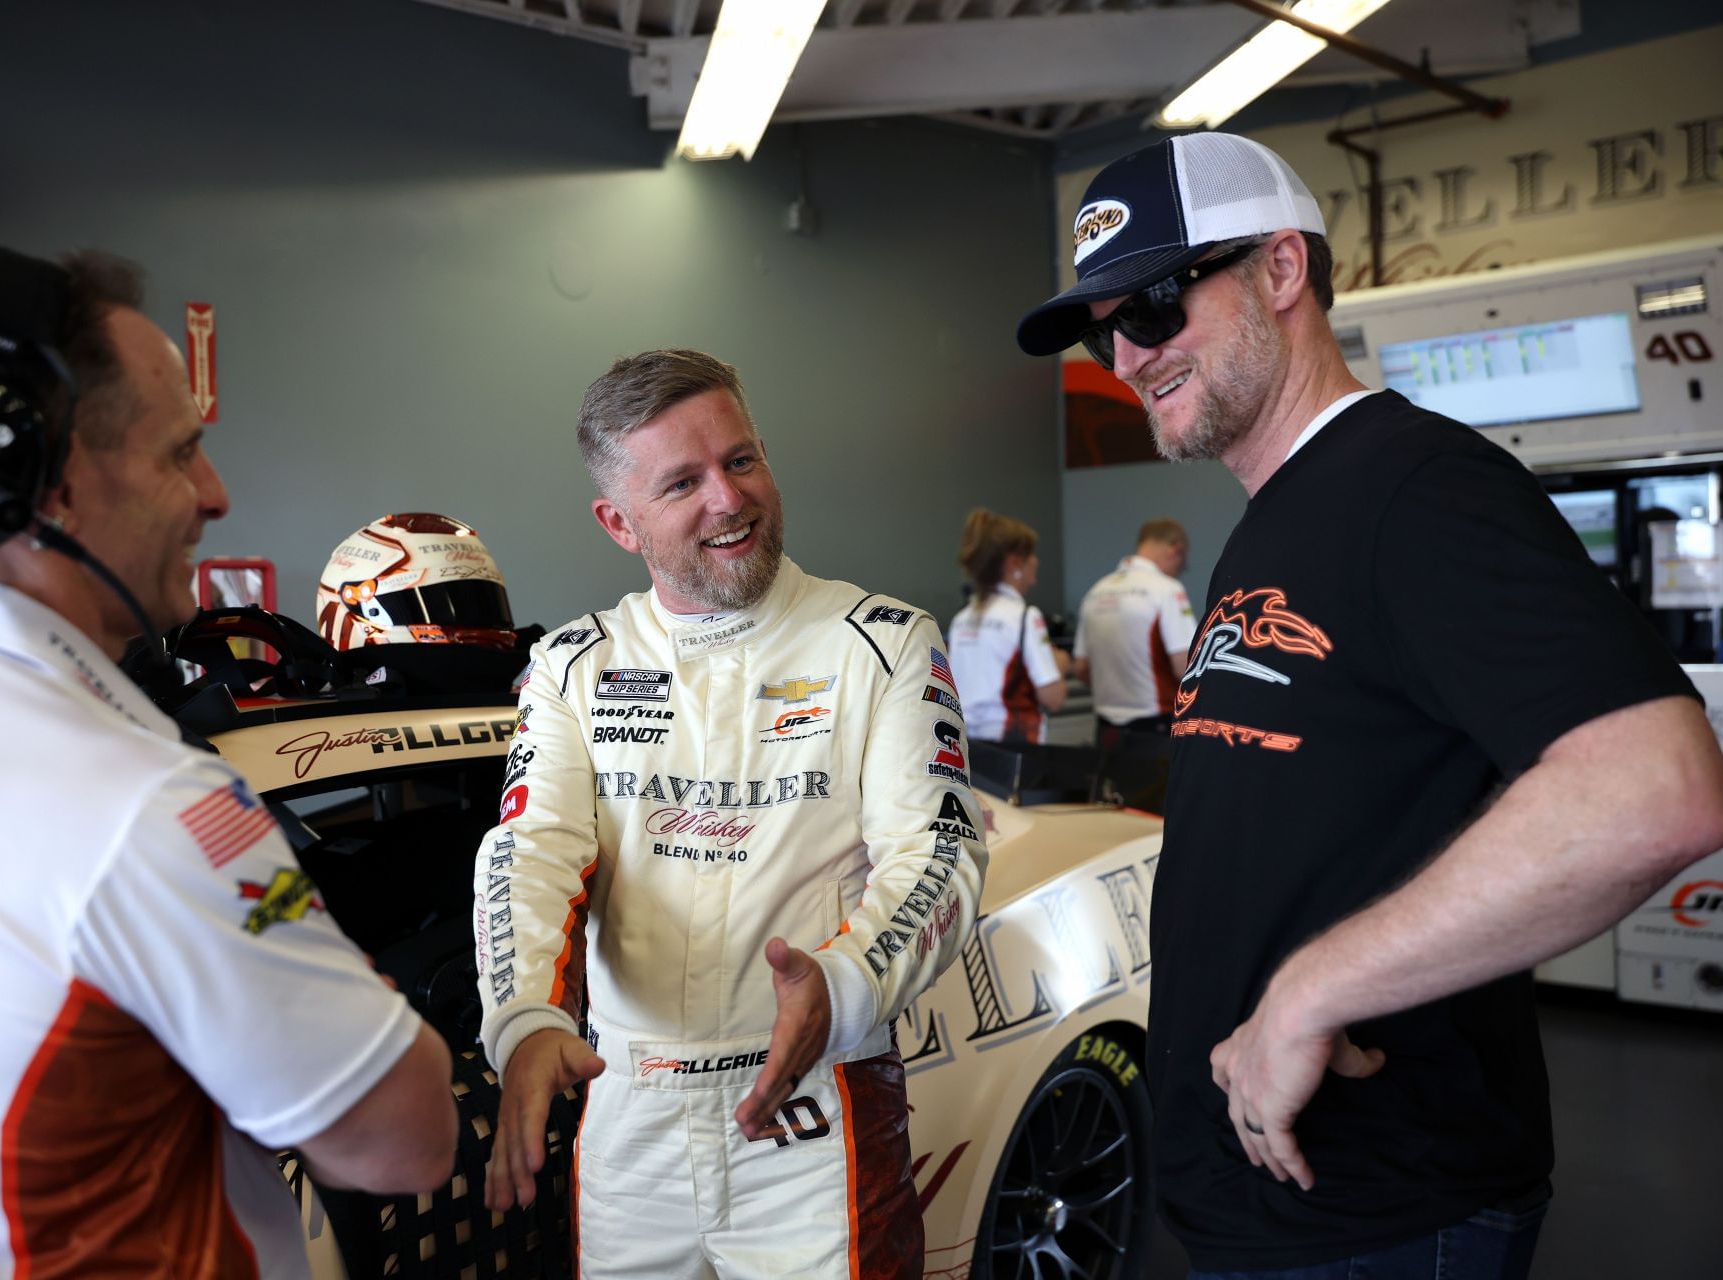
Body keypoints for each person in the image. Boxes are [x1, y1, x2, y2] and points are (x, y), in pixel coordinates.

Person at [1015, 132, 1723, 1278]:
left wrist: (1311, 991)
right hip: (1273, 1200)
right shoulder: (1276, 518)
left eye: (1151, 307)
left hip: (1379, 1213)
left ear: (1282, 271)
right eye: (1105, 330)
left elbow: (1655, 788)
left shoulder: (1415, 488)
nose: (1127, 355)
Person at [0, 250, 457, 1277]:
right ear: (53, 487)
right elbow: (406, 1136)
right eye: (181, 453)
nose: (213, 493)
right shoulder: (146, 809)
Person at [472, 348, 987, 1278]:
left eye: (741, 461)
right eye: (683, 482)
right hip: (628, 1116)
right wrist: (523, 1022)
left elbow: (939, 852)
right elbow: (528, 851)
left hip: (816, 1101)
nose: (729, 499)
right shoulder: (573, 666)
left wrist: (842, 984)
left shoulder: (882, 643)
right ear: (619, 523)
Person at [946, 507, 1070, 746]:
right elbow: (1053, 698)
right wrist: (1060, 664)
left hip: (965, 746)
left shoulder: (962, 619)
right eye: (1032, 554)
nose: (1037, 561)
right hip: (1013, 746)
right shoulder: (1024, 617)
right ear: (1015, 563)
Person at [1072, 518, 1195, 748]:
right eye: (1182, 563)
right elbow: (1185, 666)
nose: (1179, 571)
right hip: (1155, 726)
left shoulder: (1096, 591)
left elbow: (1081, 668)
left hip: (1105, 727)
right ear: (1176, 549)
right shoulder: (1167, 589)